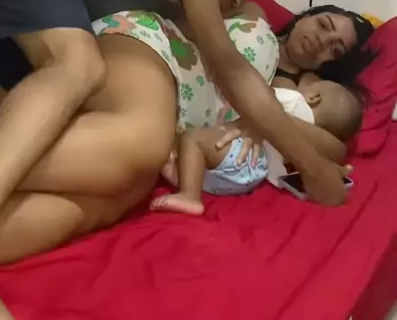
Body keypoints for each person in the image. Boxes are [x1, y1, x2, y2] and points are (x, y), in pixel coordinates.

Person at [0, 0, 348, 320]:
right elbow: (231, 68)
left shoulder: (199, 20)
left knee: (104, 187)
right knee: (81, 71)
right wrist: (312, 167)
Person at [151, 76, 362, 216]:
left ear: (314, 97)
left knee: (192, 139)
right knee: (192, 152)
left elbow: (259, 100)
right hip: (253, 175)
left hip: (241, 152)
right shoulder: (309, 140)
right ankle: (187, 177)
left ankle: (190, 195)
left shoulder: (294, 100)